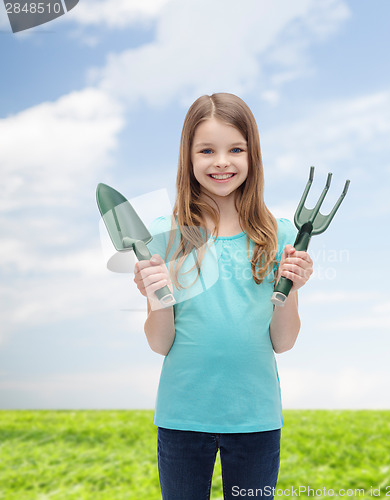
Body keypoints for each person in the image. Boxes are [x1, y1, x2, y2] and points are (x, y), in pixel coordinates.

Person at [133, 93, 313, 499]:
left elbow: (283, 342)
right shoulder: (164, 235)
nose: (221, 162)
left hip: (255, 418)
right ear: (188, 157)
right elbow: (160, 343)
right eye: (206, 150)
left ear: (253, 156)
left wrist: (293, 286)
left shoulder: (280, 235)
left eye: (235, 149)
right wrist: (156, 293)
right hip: (182, 416)